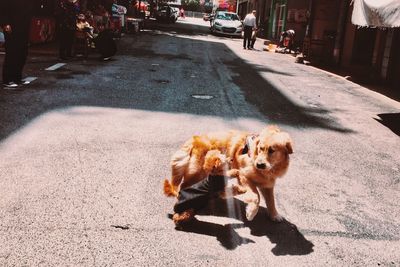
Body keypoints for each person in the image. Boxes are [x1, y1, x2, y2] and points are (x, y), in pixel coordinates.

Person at [0, 0, 34, 89]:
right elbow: (3, 8)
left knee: (22, 53)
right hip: (11, 27)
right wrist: (5, 23)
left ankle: (17, 78)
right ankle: (7, 80)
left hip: (23, 26)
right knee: (12, 53)